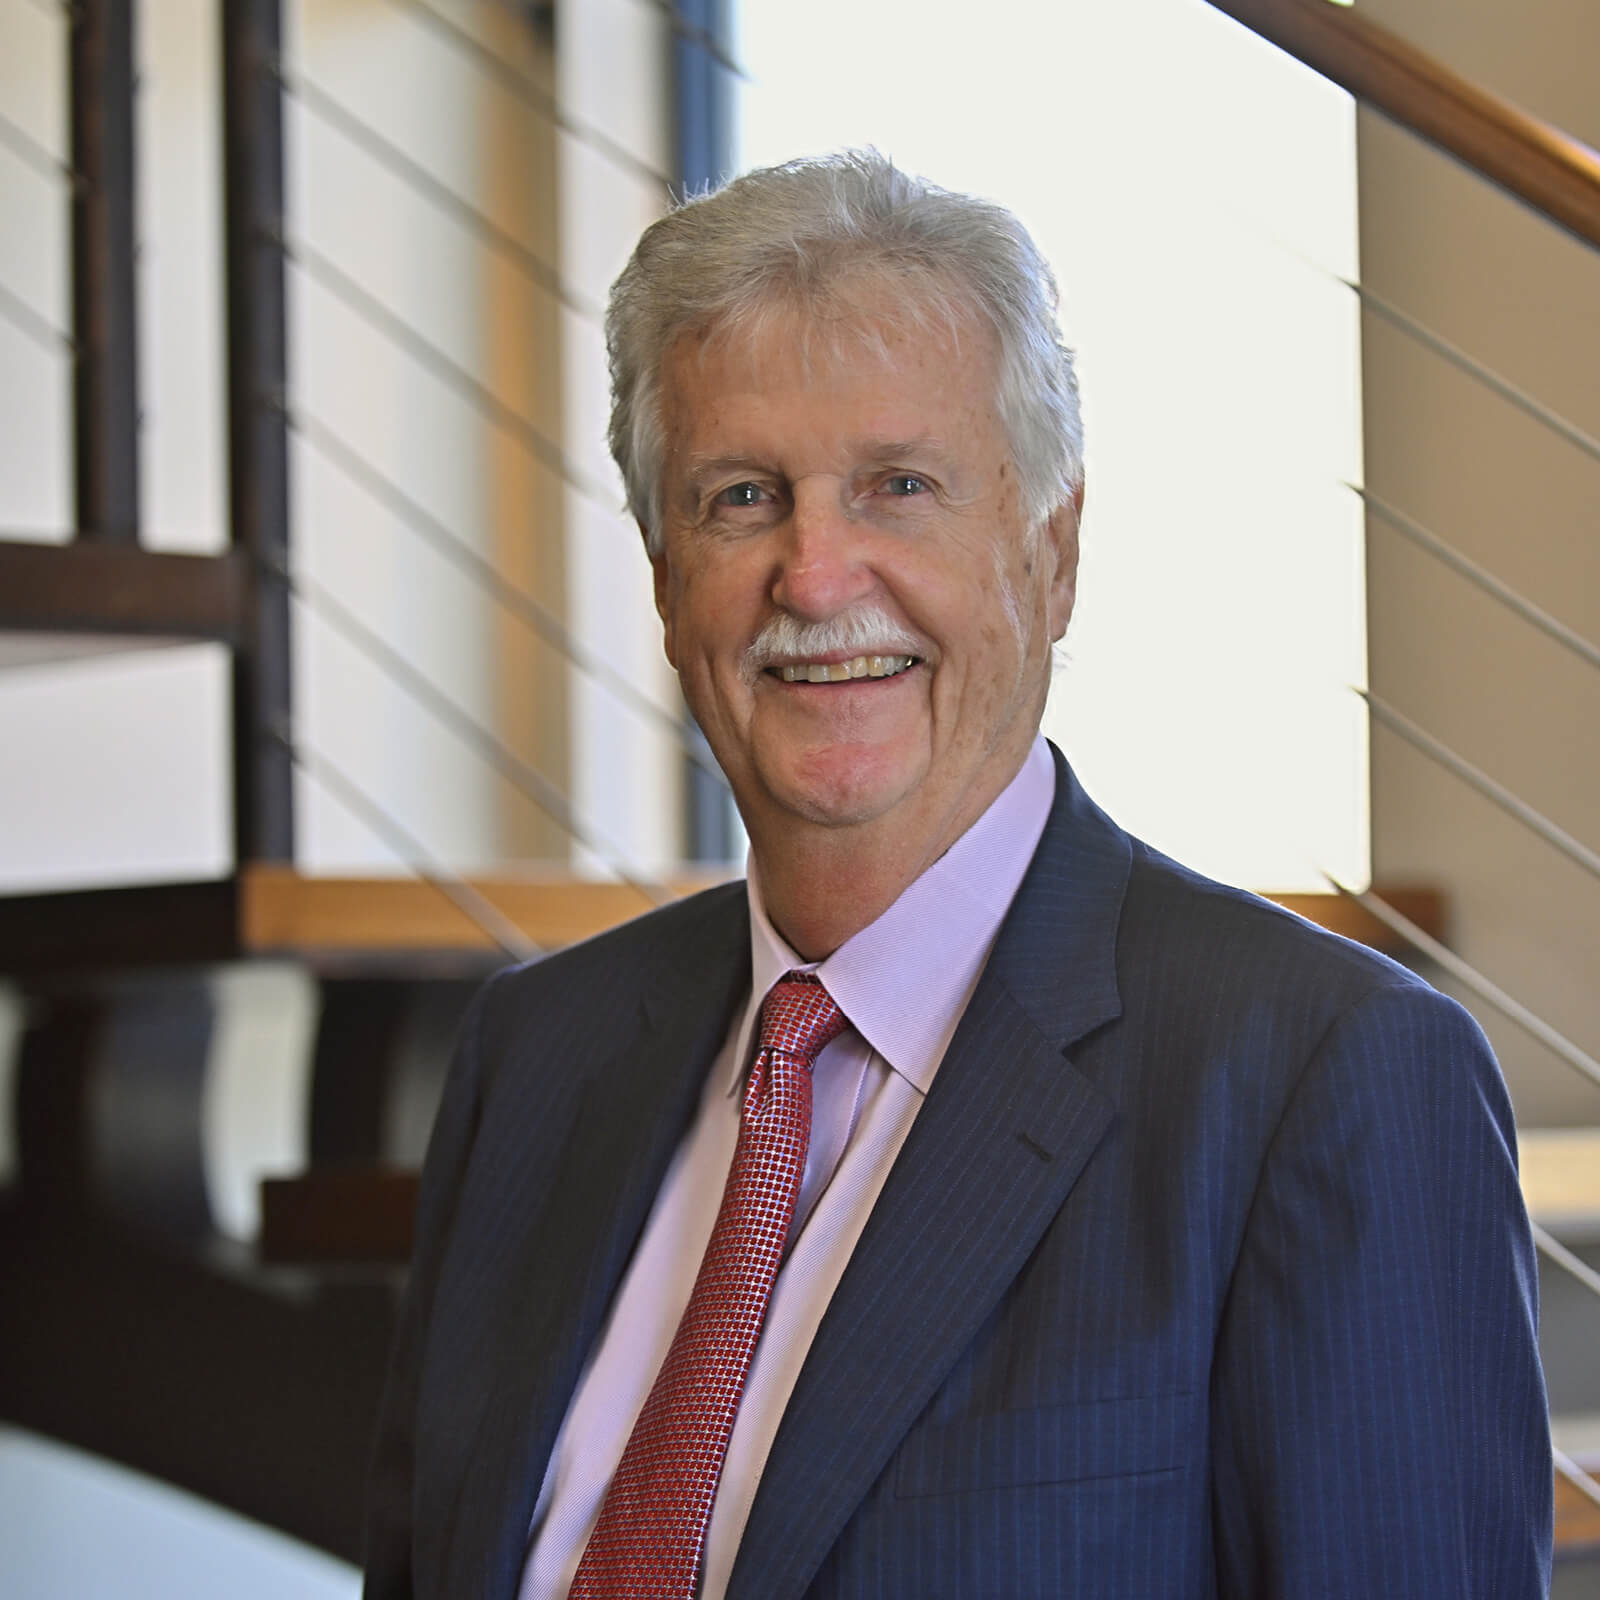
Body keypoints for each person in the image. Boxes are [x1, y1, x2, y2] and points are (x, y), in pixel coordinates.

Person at [363, 151, 1551, 1600]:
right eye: (742, 497)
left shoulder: (1320, 1078)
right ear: (669, 579)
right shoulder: (535, 1056)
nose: (815, 575)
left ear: (1054, 556)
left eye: (900, 486)